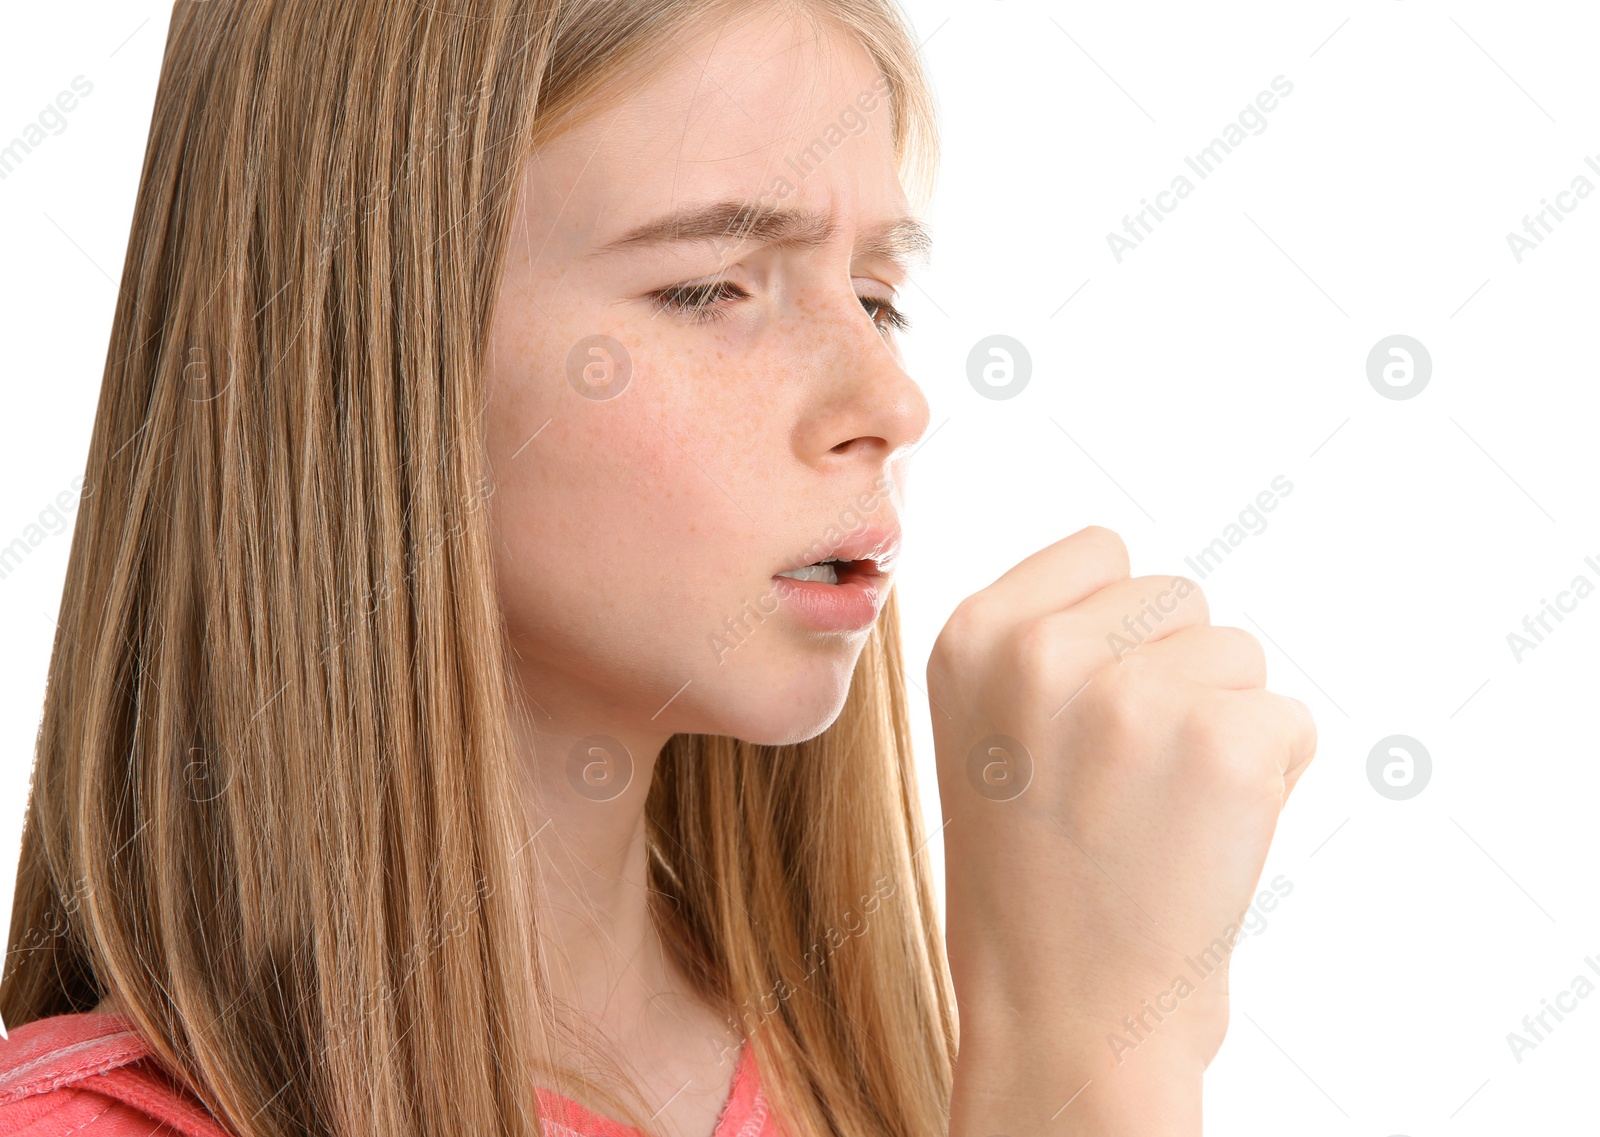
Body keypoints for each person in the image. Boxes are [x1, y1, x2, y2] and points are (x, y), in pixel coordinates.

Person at [0, 2, 1316, 1135]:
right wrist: (1078, 1064)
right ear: (359, 365)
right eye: (714, 289)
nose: (889, 397)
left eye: (877, 295)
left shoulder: (837, 1073)